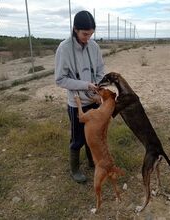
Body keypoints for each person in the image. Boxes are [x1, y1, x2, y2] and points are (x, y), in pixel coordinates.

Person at [55, 10, 105, 183]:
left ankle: (92, 160)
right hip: (76, 103)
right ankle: (75, 169)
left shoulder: (94, 46)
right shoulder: (64, 48)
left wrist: (97, 87)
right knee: (78, 138)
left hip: (94, 100)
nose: (88, 38)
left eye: (91, 34)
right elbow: (60, 79)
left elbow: (100, 70)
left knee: (94, 134)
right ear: (75, 29)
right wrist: (85, 85)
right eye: (85, 34)